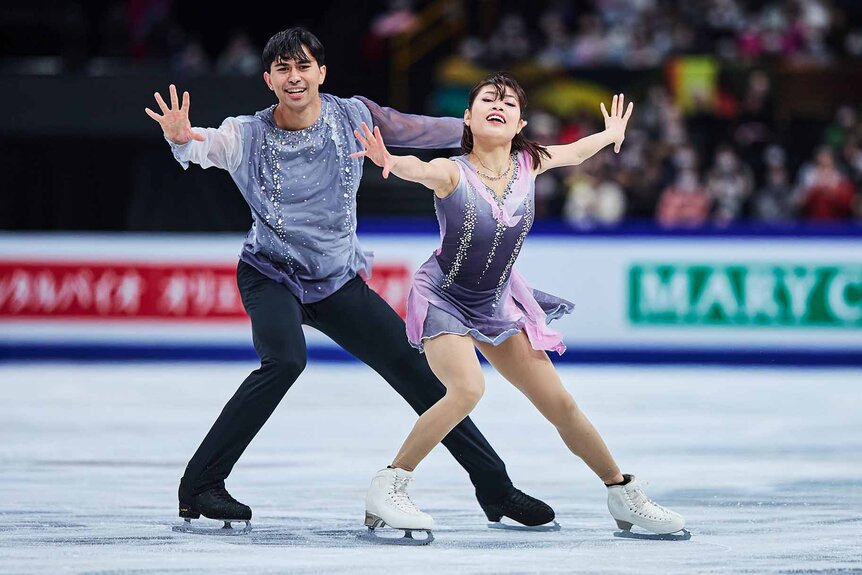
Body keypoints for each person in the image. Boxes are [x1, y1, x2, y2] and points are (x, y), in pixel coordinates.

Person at [144, 28, 554, 532]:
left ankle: (496, 489)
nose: (295, 78)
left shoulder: (354, 116)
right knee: (285, 360)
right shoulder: (247, 134)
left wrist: (485, 130)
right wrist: (183, 137)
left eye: (304, 67)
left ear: (321, 72)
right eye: (284, 69)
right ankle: (201, 485)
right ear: (269, 78)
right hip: (270, 274)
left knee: (418, 374)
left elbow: (420, 130)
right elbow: (203, 145)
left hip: (337, 281)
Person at [353, 73, 688, 538]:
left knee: (561, 404)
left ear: (519, 123)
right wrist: (390, 160)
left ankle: (622, 493)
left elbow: (574, 153)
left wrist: (610, 136)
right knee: (467, 390)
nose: (498, 104)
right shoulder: (454, 170)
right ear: (467, 118)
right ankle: (390, 483)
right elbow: (420, 169)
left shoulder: (531, 162)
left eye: (508, 102)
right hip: (444, 297)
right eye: (487, 99)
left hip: (497, 302)